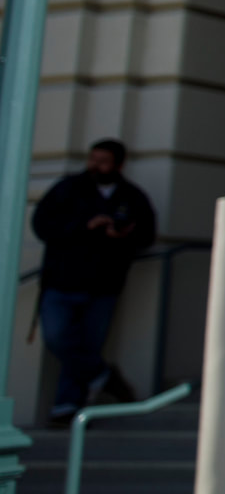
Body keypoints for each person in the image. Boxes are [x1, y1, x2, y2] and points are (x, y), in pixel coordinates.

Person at [31, 138, 154, 426]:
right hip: (61, 281)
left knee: (86, 345)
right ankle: (104, 377)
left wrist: (123, 236)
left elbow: (146, 235)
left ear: (119, 164)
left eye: (103, 161)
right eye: (92, 159)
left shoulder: (131, 196)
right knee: (58, 337)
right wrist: (84, 226)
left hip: (103, 286)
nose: (95, 166)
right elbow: (42, 225)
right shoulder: (68, 189)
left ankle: (67, 408)